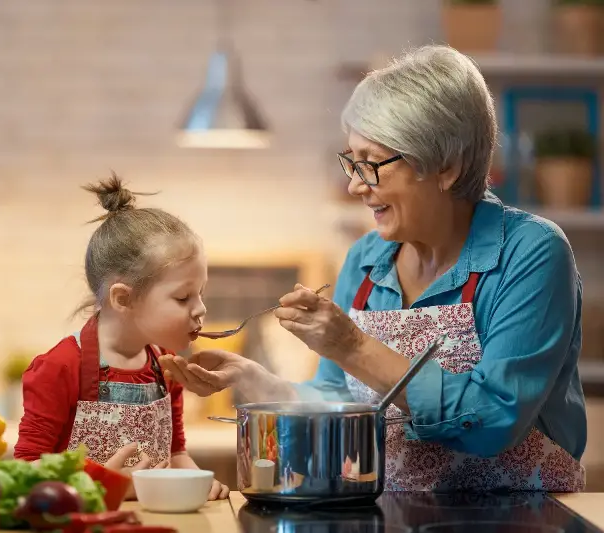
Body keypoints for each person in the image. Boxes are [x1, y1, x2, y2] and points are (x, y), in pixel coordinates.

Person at [160, 45, 587, 492]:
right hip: (393, 515)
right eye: (351, 160)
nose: (354, 184)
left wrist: (355, 348)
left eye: (371, 163)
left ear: (446, 166)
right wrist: (255, 380)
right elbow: (337, 402)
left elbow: (494, 420)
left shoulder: (531, 253)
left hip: (527, 519)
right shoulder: (366, 260)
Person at [14, 173, 229, 500]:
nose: (200, 309)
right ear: (123, 298)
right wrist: (99, 483)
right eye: (183, 298)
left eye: (200, 293)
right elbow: (26, 473)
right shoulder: (59, 367)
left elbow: (176, 453)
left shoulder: (166, 367)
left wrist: (198, 480)